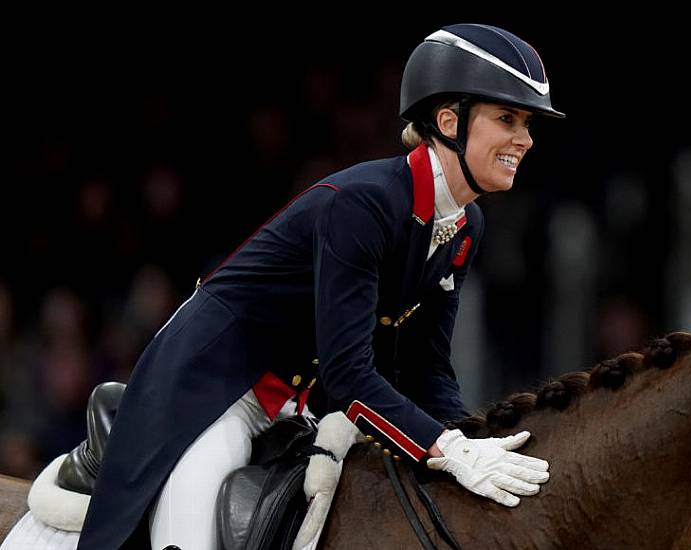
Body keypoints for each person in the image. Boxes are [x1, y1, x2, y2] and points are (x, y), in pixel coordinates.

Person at [77, 23, 566, 550]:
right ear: (449, 121)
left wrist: (471, 440)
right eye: (508, 118)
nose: (526, 138)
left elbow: (426, 367)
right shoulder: (364, 204)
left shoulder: (465, 226)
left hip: (296, 404)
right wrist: (445, 448)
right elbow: (350, 372)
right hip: (212, 391)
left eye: (528, 123)